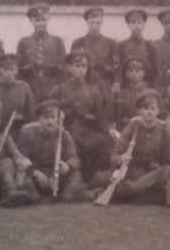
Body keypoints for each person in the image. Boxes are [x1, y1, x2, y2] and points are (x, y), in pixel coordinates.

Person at [95, 89, 170, 204]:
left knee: (167, 171)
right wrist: (121, 158)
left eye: (153, 109)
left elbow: (169, 158)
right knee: (100, 178)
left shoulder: (164, 129)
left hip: (153, 172)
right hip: (133, 170)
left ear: (158, 111)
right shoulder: (133, 126)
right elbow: (115, 155)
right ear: (139, 111)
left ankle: (127, 191)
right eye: (146, 108)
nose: (149, 112)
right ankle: (130, 191)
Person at [51, 49, 114, 181]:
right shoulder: (59, 90)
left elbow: (100, 116)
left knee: (106, 142)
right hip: (66, 130)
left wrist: (108, 130)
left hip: (87, 131)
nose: (81, 70)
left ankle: (93, 178)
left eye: (84, 66)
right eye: (77, 66)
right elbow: (50, 113)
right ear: (69, 67)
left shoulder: (94, 90)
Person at [16, 99, 86, 202]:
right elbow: (21, 158)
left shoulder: (64, 134)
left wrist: (67, 166)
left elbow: (74, 157)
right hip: (37, 174)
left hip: (57, 174)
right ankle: (34, 197)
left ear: (57, 119)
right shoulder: (28, 133)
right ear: (39, 119)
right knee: (26, 183)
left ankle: (64, 196)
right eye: (45, 118)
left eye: (53, 117)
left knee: (75, 176)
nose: (50, 121)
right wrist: (34, 172)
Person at [16, 4, 66, 102]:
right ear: (31, 21)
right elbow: (18, 67)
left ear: (48, 20)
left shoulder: (57, 41)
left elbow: (64, 65)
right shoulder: (24, 42)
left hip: (52, 87)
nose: (41, 23)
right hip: (31, 86)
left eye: (43, 20)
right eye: (37, 20)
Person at [70, 7, 119, 98]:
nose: (95, 26)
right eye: (92, 23)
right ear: (87, 23)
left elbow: (117, 67)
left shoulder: (111, 43)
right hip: (85, 85)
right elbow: (71, 67)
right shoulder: (78, 43)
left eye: (98, 23)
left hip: (105, 85)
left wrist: (116, 82)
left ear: (102, 23)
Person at [0, 53, 36, 140]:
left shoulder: (24, 87)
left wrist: (22, 118)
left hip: (19, 132)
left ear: (16, 71)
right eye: (5, 69)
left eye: (12, 69)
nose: (8, 73)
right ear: (0, 71)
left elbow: (31, 114)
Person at [115, 8, 159, 88]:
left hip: (146, 86)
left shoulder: (150, 46)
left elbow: (156, 71)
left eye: (139, 22)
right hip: (126, 87)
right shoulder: (121, 46)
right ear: (128, 25)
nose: (136, 26)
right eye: (133, 22)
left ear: (144, 25)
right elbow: (118, 70)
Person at [111, 57, 151, 131]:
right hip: (125, 129)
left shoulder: (149, 93)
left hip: (145, 129)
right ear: (126, 74)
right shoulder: (121, 93)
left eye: (138, 71)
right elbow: (115, 115)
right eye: (131, 71)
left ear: (143, 73)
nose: (134, 74)